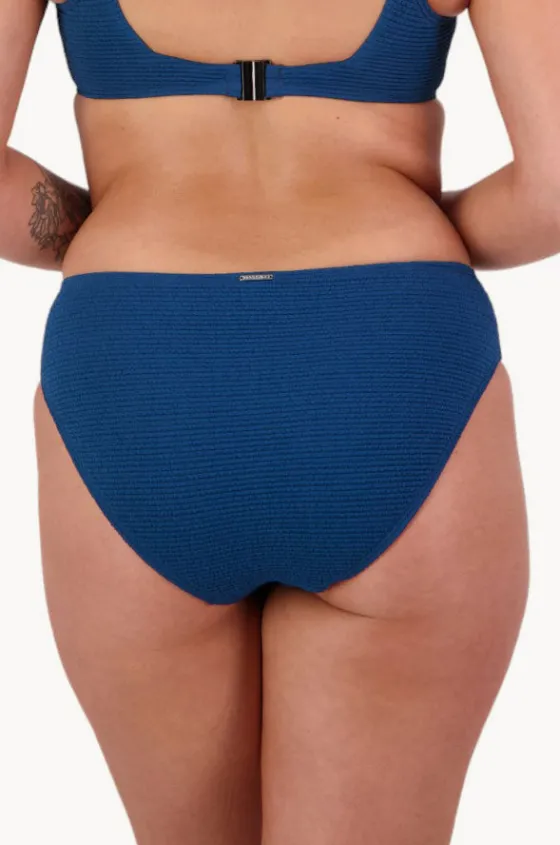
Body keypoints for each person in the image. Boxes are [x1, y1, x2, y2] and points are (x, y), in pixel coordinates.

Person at [3, 0, 557, 842]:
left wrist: (105, 229)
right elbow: (553, 188)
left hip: (142, 371)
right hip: (388, 361)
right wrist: (418, 236)